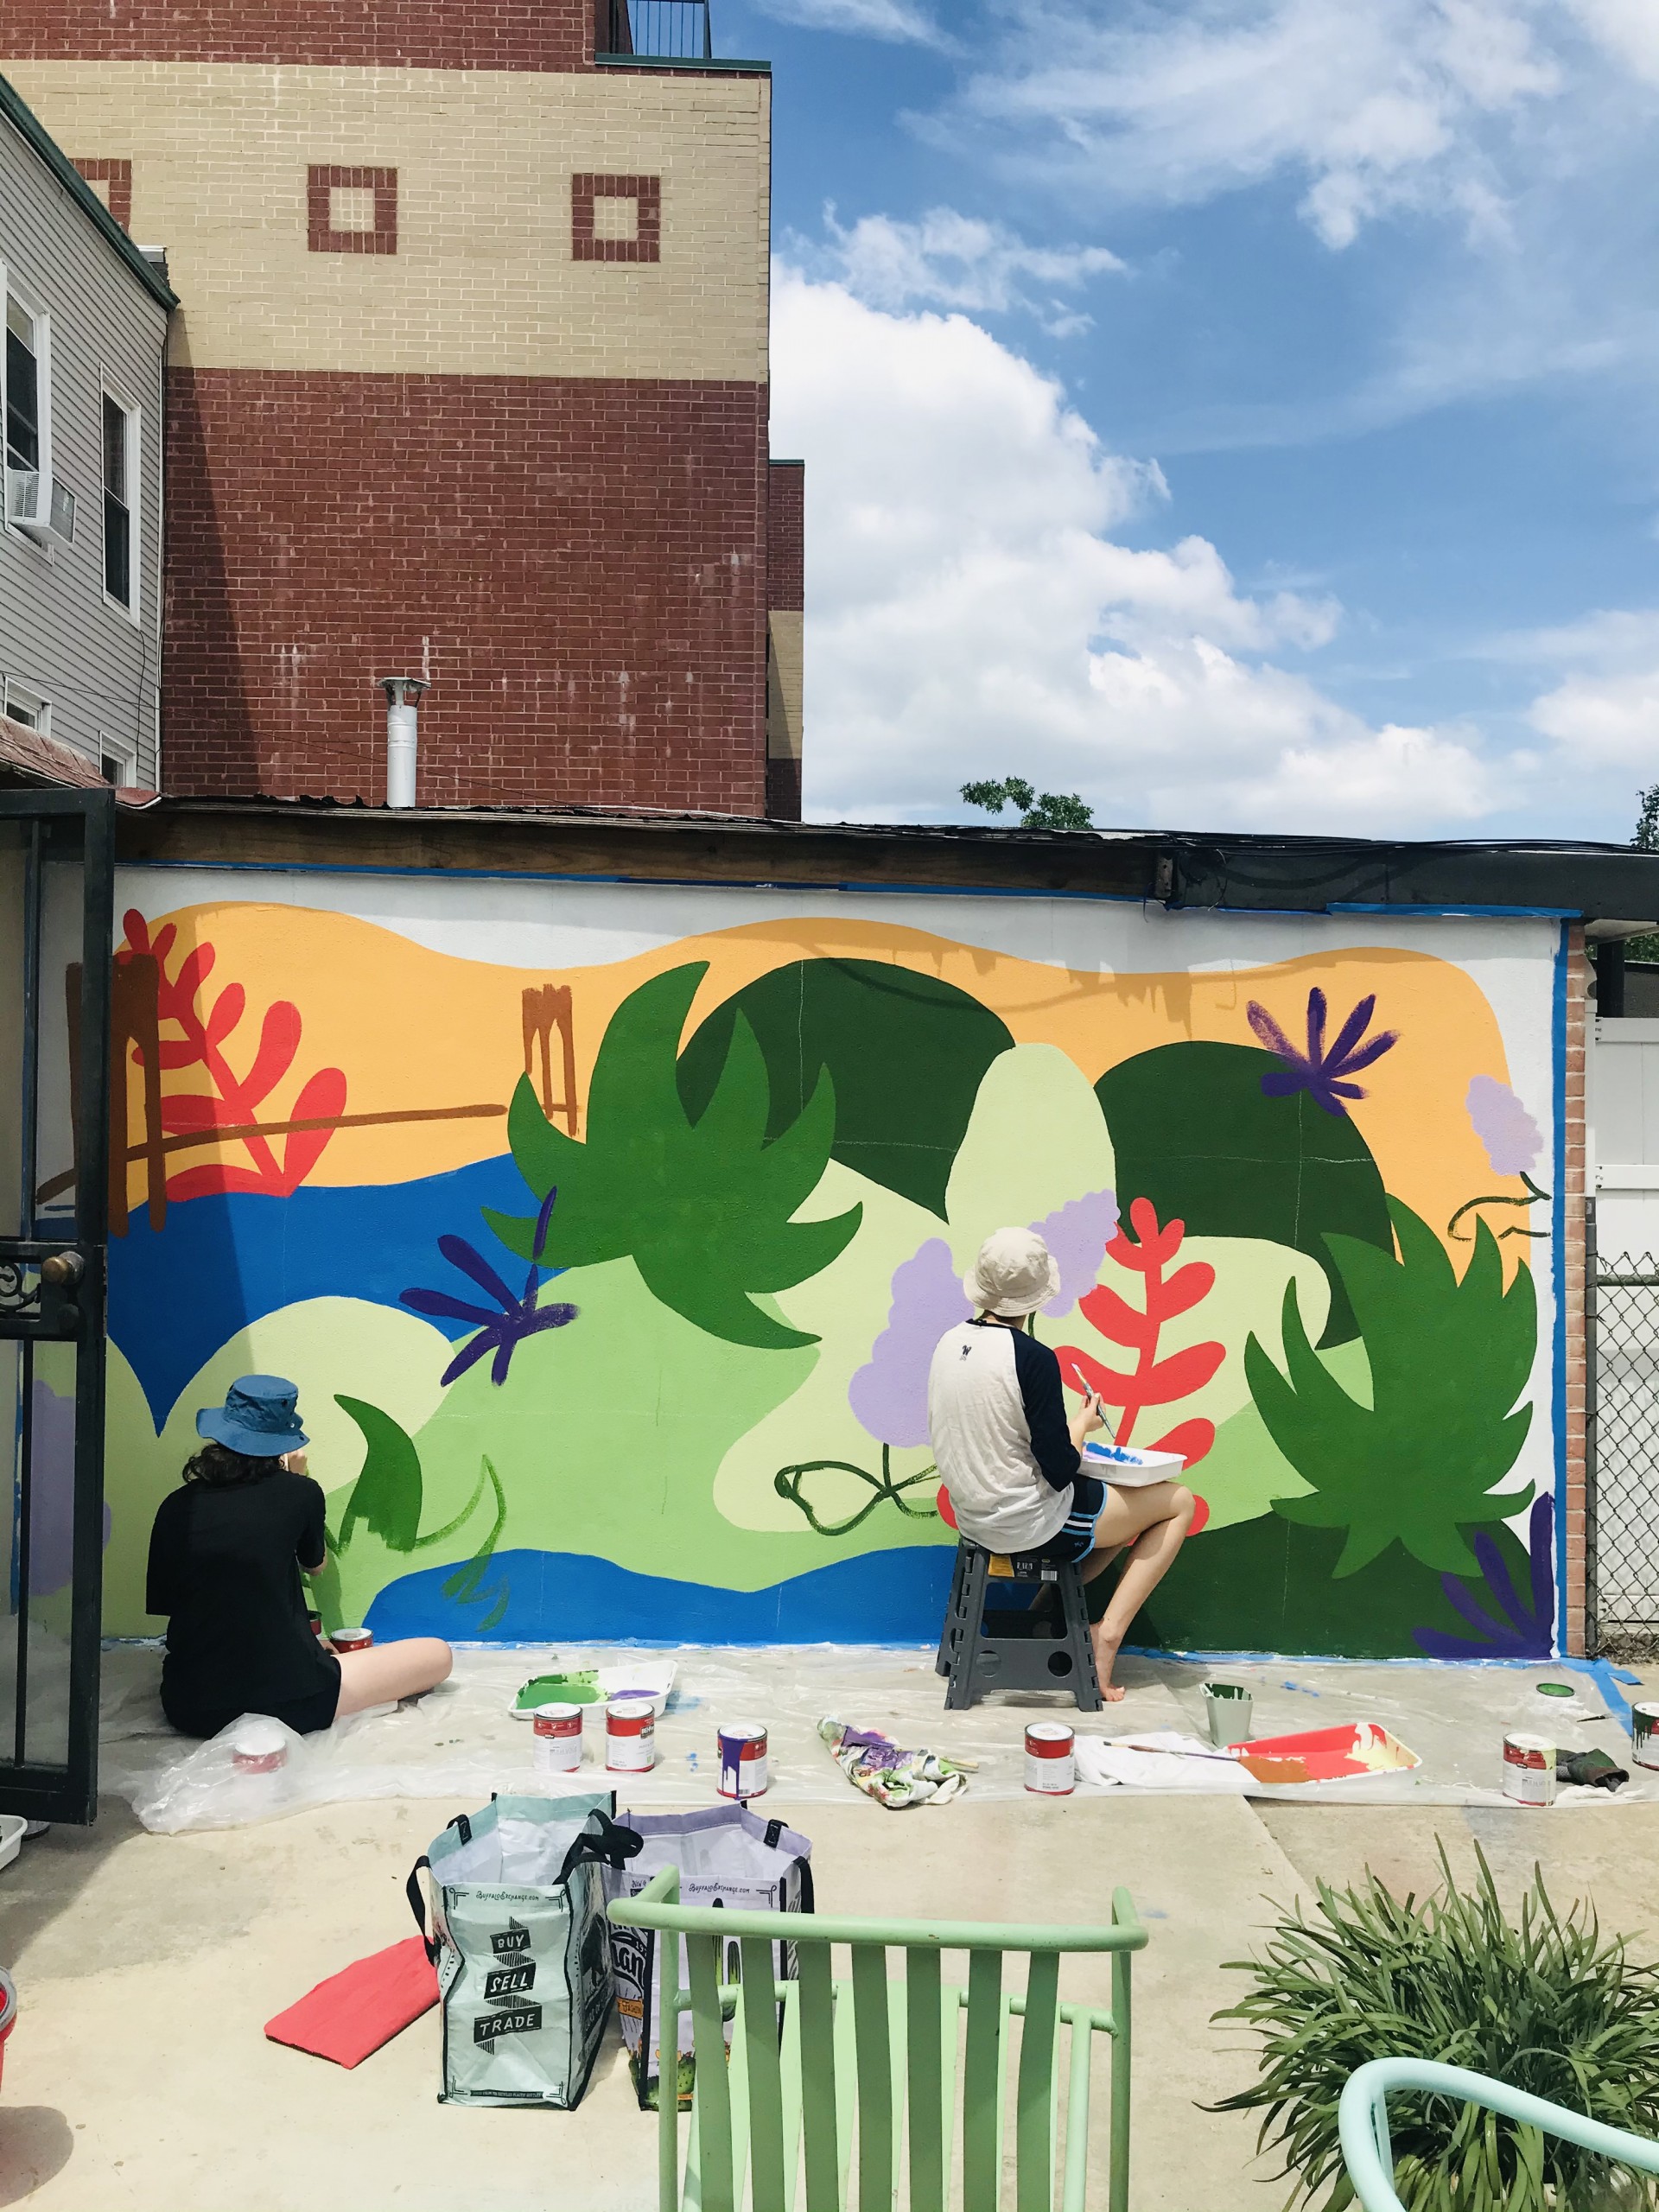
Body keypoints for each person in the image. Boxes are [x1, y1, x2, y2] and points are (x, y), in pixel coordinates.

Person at [927, 1226, 1196, 1702]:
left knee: (1121, 1512)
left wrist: (1074, 1428)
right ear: (1035, 1298)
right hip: (1029, 1523)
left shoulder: (949, 1343)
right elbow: (1059, 1469)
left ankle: (1049, 1612)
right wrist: (1082, 1425)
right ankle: (1104, 1637)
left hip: (975, 1518)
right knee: (1176, 1501)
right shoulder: (1032, 1359)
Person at [146, 1374, 452, 1738]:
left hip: (191, 1708)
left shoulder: (176, 1506)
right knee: (437, 1654)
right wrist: (296, 1478)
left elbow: (170, 1602)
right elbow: (315, 1565)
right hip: (293, 1701)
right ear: (283, 1441)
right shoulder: (300, 1492)